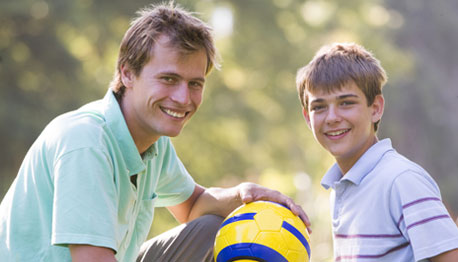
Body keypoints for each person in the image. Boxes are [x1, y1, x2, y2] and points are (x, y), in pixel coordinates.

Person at [0, 3, 311, 262]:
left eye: (194, 84)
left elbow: (192, 207)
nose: (183, 98)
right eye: (168, 79)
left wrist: (245, 195)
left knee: (211, 229)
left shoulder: (153, 144)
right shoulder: (86, 143)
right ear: (127, 73)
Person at [295, 42, 458, 261]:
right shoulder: (340, 189)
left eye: (346, 103)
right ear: (307, 117)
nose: (332, 117)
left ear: (376, 108)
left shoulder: (401, 181)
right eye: (319, 107)